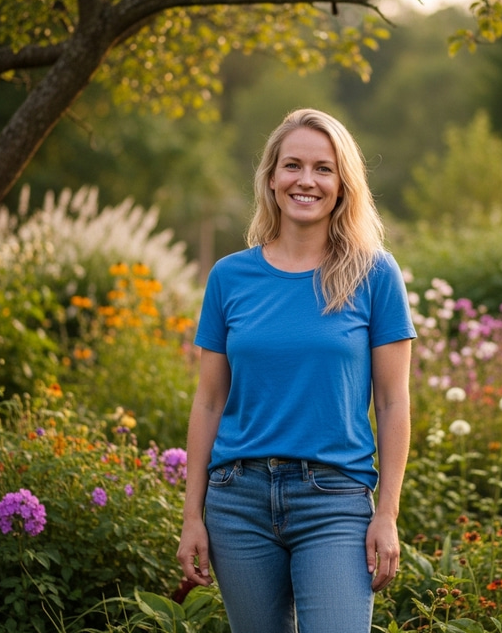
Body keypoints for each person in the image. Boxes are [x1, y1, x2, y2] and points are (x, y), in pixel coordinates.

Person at [176, 108, 415, 633]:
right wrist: (192, 517)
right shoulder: (229, 277)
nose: (306, 180)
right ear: (271, 178)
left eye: (323, 168)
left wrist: (388, 514)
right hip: (237, 503)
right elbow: (209, 401)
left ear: (343, 183)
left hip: (334, 502)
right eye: (292, 166)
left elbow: (393, 401)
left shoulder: (375, 274)